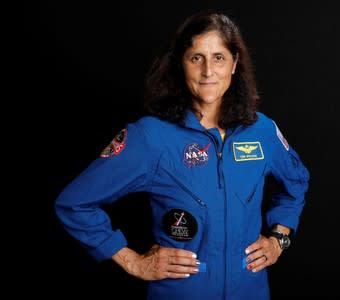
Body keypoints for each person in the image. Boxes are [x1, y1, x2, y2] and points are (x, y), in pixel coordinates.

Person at [55, 10, 310, 300]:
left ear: (235, 64)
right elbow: (75, 204)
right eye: (196, 58)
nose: (208, 72)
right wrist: (133, 261)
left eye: (219, 58)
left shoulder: (262, 131)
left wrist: (279, 239)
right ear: (181, 64)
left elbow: (296, 182)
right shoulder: (151, 138)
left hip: (250, 291)